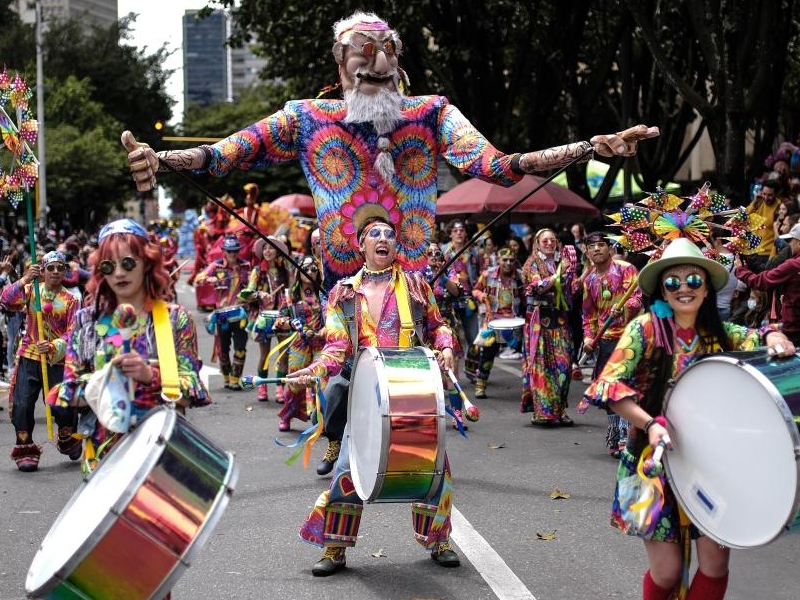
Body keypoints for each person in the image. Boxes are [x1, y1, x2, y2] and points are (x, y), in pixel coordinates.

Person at [121, 11, 658, 294]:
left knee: (417, 433)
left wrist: (590, 147)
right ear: (341, 60)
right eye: (364, 50)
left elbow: (496, 165)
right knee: (340, 405)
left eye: (388, 51)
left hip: (415, 285)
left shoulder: (431, 113)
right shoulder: (307, 117)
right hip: (341, 287)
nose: (378, 60)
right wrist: (163, 159)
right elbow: (224, 155)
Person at [581, 237, 794, 600]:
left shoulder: (719, 332)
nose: (684, 288)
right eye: (673, 281)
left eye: (693, 280)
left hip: (711, 466)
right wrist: (649, 424)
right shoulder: (644, 329)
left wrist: (774, 333)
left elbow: (757, 336)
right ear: (662, 288)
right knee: (666, 574)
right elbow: (607, 386)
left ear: (707, 286)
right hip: (654, 465)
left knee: (715, 566)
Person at [288, 213, 458, 576]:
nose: (383, 239)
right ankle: (335, 548)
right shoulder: (343, 293)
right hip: (365, 396)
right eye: (374, 234)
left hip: (413, 390)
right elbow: (335, 348)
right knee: (348, 470)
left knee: (434, 466)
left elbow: (438, 324)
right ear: (360, 244)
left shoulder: (415, 286)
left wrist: (445, 346)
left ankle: (438, 540)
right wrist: (314, 370)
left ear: (396, 245)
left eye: (389, 235)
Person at [3, 251, 81, 471]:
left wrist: (55, 346)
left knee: (61, 405)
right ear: (43, 271)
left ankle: (67, 437)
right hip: (30, 355)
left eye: (60, 268)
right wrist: (25, 278)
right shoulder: (30, 291)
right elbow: (5, 300)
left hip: (57, 360)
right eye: (50, 268)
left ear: (65, 271)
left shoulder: (71, 300)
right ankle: (25, 448)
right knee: (22, 404)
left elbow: (73, 332)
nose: (55, 272)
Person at [579, 231, 642, 457]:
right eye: (592, 246)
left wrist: (626, 308)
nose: (597, 249)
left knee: (627, 387)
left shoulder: (625, 269)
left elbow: (637, 296)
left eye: (601, 245)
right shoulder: (589, 280)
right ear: (586, 252)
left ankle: (628, 437)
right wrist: (588, 337)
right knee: (609, 389)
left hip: (629, 337)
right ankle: (616, 436)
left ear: (609, 248)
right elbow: (588, 315)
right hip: (605, 341)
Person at [520, 228, 578, 425]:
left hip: (560, 319)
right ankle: (543, 412)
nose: (549, 243)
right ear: (537, 243)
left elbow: (573, 289)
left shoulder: (562, 263)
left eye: (552, 240)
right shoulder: (531, 263)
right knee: (541, 366)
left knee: (564, 364)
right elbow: (536, 287)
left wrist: (584, 272)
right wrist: (558, 275)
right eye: (545, 241)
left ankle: (560, 410)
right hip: (539, 321)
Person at [270, 255, 325, 431]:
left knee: (320, 381)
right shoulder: (289, 295)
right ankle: (287, 416)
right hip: (299, 343)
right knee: (294, 382)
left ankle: (320, 418)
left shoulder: (324, 293)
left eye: (314, 270)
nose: (310, 272)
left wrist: (326, 329)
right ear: (299, 272)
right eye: (306, 269)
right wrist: (292, 323)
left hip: (321, 344)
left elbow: (334, 316)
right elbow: (279, 320)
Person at [464, 247, 525, 399]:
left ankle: (530, 388)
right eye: (505, 260)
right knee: (487, 354)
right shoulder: (488, 274)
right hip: (493, 321)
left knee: (526, 353)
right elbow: (475, 290)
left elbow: (525, 296)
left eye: (511, 260)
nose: (509, 263)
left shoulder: (520, 276)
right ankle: (480, 385)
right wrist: (481, 295)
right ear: (498, 260)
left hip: (514, 320)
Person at [195, 234, 251, 390]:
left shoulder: (246, 266)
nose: (232, 254)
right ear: (224, 251)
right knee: (223, 350)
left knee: (240, 347)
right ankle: (226, 376)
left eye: (235, 251)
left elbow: (254, 283)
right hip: (223, 315)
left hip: (240, 313)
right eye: (229, 251)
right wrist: (208, 279)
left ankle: (235, 378)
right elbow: (199, 278)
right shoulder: (216, 266)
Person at [240, 236, 291, 401]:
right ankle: (262, 387)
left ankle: (279, 388)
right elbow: (246, 294)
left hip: (282, 317)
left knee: (283, 354)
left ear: (277, 252)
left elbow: (292, 290)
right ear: (262, 252)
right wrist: (259, 294)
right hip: (264, 318)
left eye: (271, 248)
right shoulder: (257, 271)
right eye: (265, 248)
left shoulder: (286, 270)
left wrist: (288, 299)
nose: (268, 251)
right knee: (265, 354)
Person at [734, 222, 800, 346]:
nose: (789, 244)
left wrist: (740, 270)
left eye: (791, 240)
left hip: (793, 330)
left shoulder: (793, 265)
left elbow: (761, 281)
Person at [442, 219, 484, 347]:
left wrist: (478, 292)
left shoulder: (474, 252)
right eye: (455, 231)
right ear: (450, 234)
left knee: (473, 336)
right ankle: (451, 366)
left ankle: (472, 366)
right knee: (450, 337)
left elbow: (482, 274)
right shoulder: (443, 251)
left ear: (466, 233)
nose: (459, 233)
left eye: (462, 230)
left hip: (468, 300)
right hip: (449, 300)